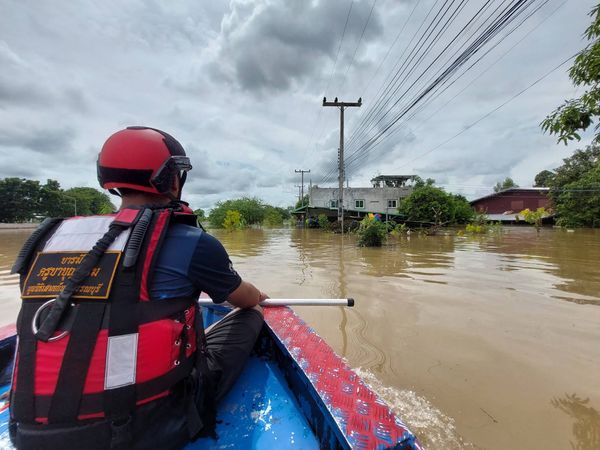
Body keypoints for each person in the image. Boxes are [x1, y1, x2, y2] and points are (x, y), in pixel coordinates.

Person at [10, 126, 267, 449]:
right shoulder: (192, 242)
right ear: (172, 179)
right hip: (144, 429)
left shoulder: (51, 238)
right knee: (251, 314)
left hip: (29, 434)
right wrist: (257, 298)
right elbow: (243, 298)